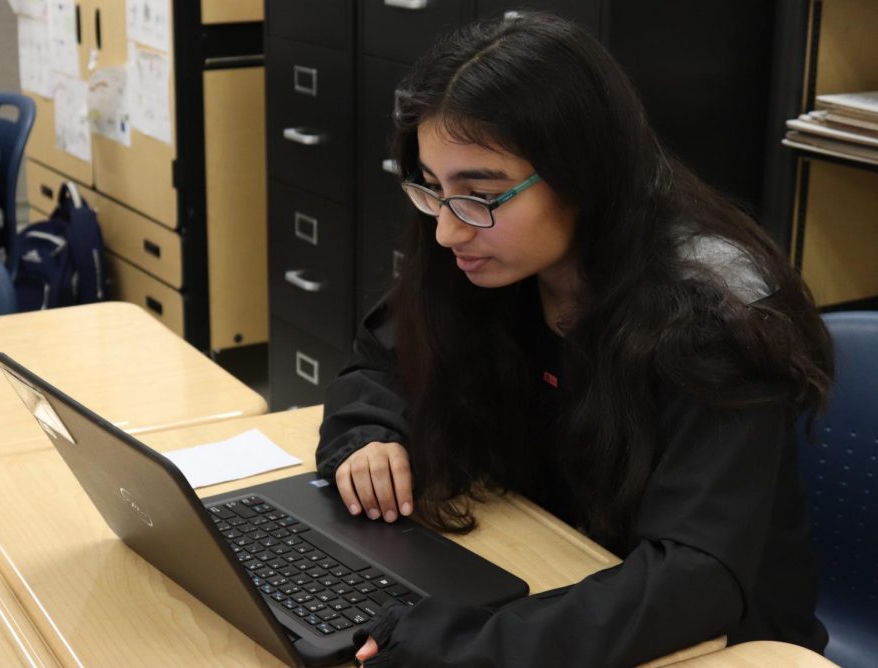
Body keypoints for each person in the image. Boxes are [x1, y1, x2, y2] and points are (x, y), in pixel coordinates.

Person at [316, 12, 833, 667]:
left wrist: (466, 651)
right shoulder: (492, 256)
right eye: (432, 189)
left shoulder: (714, 313)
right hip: (561, 584)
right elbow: (383, 363)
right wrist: (369, 434)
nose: (448, 231)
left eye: (480, 195)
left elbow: (696, 580)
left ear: (580, 174)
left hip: (721, 642)